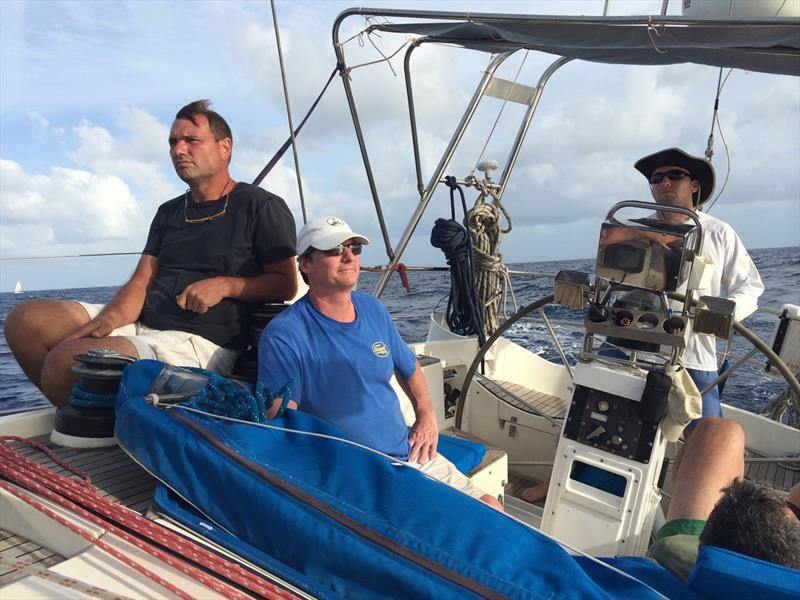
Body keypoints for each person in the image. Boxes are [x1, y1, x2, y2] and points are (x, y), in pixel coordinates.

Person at [4, 99, 298, 406]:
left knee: (66, 362)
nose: (178, 150)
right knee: (25, 321)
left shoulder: (260, 206)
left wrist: (226, 285)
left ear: (225, 147)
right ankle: (85, 413)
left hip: (200, 341)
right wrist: (109, 319)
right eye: (173, 142)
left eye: (190, 140)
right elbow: (142, 282)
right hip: (146, 321)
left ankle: (90, 417)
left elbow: (284, 283)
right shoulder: (168, 212)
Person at [257, 216, 503, 510]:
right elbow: (284, 425)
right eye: (334, 250)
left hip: (410, 452)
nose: (348, 256)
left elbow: (408, 366)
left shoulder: (373, 309)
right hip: (363, 475)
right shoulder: (285, 335)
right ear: (306, 264)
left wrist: (427, 416)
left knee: (490, 505)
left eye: (354, 248)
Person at [633, 147, 764, 425]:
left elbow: (750, 286)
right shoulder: (634, 229)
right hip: (631, 349)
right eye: (656, 178)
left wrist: (721, 315)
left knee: (705, 435)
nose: (664, 182)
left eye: (675, 175)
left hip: (694, 355)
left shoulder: (719, 233)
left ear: (694, 185)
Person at [646, 416, 800, 581]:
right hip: (772, 572)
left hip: (690, 567)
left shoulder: (675, 556)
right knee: (721, 432)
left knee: (719, 433)